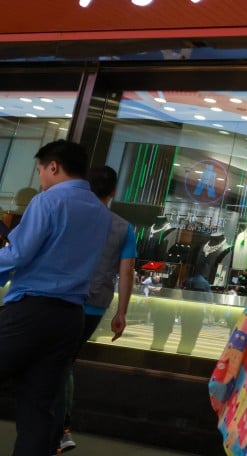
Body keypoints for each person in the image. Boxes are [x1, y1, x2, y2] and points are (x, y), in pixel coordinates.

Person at [0, 140, 111, 456]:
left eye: (40, 171)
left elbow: (18, 253)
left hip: (30, 312)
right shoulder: (100, 213)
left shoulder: (47, 202)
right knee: (38, 408)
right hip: (69, 318)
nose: (40, 179)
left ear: (53, 166)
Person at [51, 164, 138, 453]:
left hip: (61, 297)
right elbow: (126, 272)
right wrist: (121, 312)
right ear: (114, 191)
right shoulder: (123, 227)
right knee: (64, 361)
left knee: (59, 361)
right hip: (95, 304)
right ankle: (59, 426)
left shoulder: (71, 213)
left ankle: (60, 426)